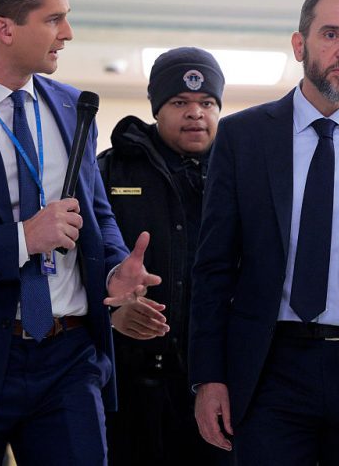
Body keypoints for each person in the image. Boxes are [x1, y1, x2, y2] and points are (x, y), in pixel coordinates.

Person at [0, 0, 160, 465]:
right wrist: (21, 240)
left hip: (69, 359)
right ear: (4, 27)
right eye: (54, 19)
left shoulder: (76, 107)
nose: (68, 33)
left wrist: (117, 270)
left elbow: (94, 213)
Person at [189, 0, 339, 464]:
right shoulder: (243, 138)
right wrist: (209, 377)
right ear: (300, 45)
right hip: (272, 367)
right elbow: (213, 267)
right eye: (331, 34)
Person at [98, 47, 230, 465]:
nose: (195, 113)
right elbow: (79, 261)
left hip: (214, 381)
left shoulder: (242, 174)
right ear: (157, 109)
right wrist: (112, 311)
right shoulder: (111, 170)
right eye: (180, 103)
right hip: (127, 383)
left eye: (207, 103)